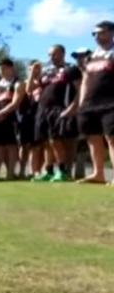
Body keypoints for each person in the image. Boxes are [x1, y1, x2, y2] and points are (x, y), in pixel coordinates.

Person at [32, 46, 83, 182]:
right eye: (49, 55)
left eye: (54, 54)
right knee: (46, 141)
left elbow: (80, 89)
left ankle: (63, 170)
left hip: (59, 108)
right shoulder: (46, 72)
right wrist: (33, 73)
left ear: (62, 54)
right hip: (43, 109)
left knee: (56, 140)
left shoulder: (70, 69)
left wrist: (73, 107)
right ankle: (48, 171)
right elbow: (30, 89)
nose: (51, 57)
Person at [77, 20, 114, 185]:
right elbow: (85, 78)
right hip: (90, 104)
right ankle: (98, 173)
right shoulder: (91, 56)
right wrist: (82, 102)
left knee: (112, 137)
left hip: (110, 102)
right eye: (95, 34)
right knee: (93, 138)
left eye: (101, 32)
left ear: (111, 33)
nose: (97, 36)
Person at [0, 58, 26, 180]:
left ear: (11, 68)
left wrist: (1, 113)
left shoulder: (18, 83)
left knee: (11, 147)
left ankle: (10, 174)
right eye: (0, 69)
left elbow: (15, 103)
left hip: (12, 118)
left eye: (4, 68)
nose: (2, 71)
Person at [71, 48, 93, 179]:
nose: (80, 59)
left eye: (83, 56)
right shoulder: (73, 72)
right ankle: (79, 173)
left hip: (96, 109)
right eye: (77, 57)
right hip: (78, 112)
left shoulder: (96, 71)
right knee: (80, 141)